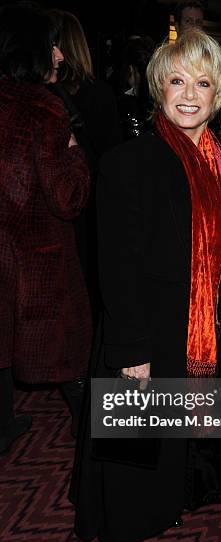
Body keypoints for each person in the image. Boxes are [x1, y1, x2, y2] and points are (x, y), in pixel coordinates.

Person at [70, 29, 221, 542]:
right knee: (133, 450)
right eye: (178, 80)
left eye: (203, 82)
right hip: (145, 334)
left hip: (202, 334)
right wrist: (132, 354)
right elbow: (116, 272)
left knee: (179, 441)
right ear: (158, 88)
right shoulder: (130, 163)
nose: (190, 93)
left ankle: (176, 501)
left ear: (219, 93)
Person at [0, 2, 92, 454]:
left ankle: (2, 428)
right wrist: (75, 150)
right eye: (53, 45)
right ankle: (94, 435)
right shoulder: (46, 111)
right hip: (41, 263)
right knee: (67, 350)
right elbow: (68, 199)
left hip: (3, 257)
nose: (60, 56)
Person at [47, 10, 122, 323]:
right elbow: (114, 157)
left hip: (59, 204)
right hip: (89, 206)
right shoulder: (98, 94)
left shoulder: (43, 96)